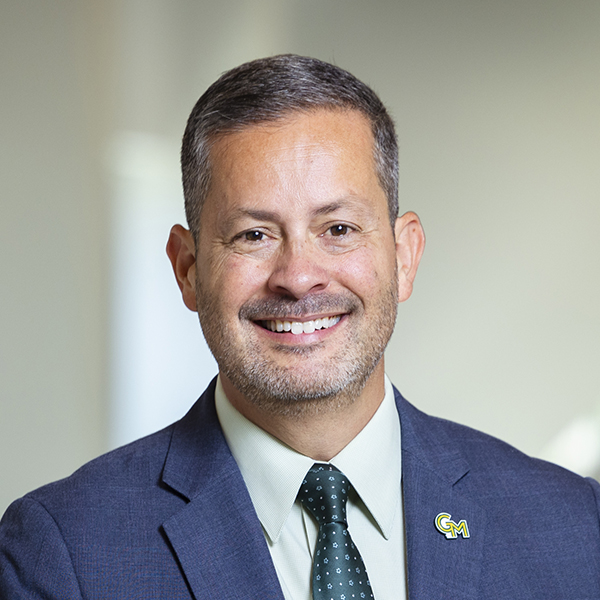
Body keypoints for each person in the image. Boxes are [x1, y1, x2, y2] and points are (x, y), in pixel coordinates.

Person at [1, 54, 599, 600]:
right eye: (253, 235)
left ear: (405, 256)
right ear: (187, 270)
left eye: (338, 229)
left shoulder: (573, 529)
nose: (298, 277)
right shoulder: (62, 556)